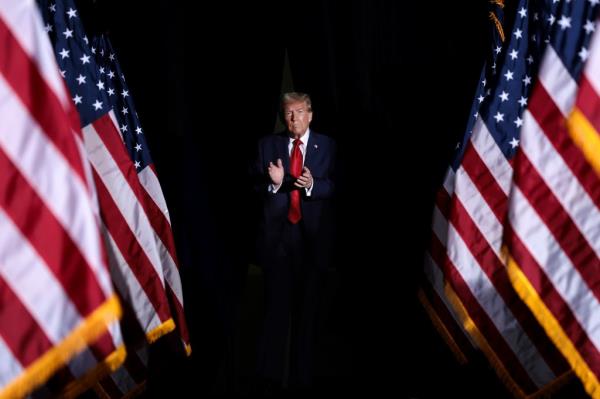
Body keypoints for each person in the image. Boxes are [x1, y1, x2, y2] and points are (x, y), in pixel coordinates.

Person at [251, 92, 336, 394]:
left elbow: (337, 185)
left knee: (309, 313)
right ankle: (271, 379)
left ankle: (305, 378)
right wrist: (274, 182)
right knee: (276, 310)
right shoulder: (267, 145)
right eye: (288, 113)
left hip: (312, 243)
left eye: (299, 112)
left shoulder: (327, 145)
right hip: (278, 242)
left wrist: (312, 184)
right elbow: (255, 186)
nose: (293, 118)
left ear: (310, 115)